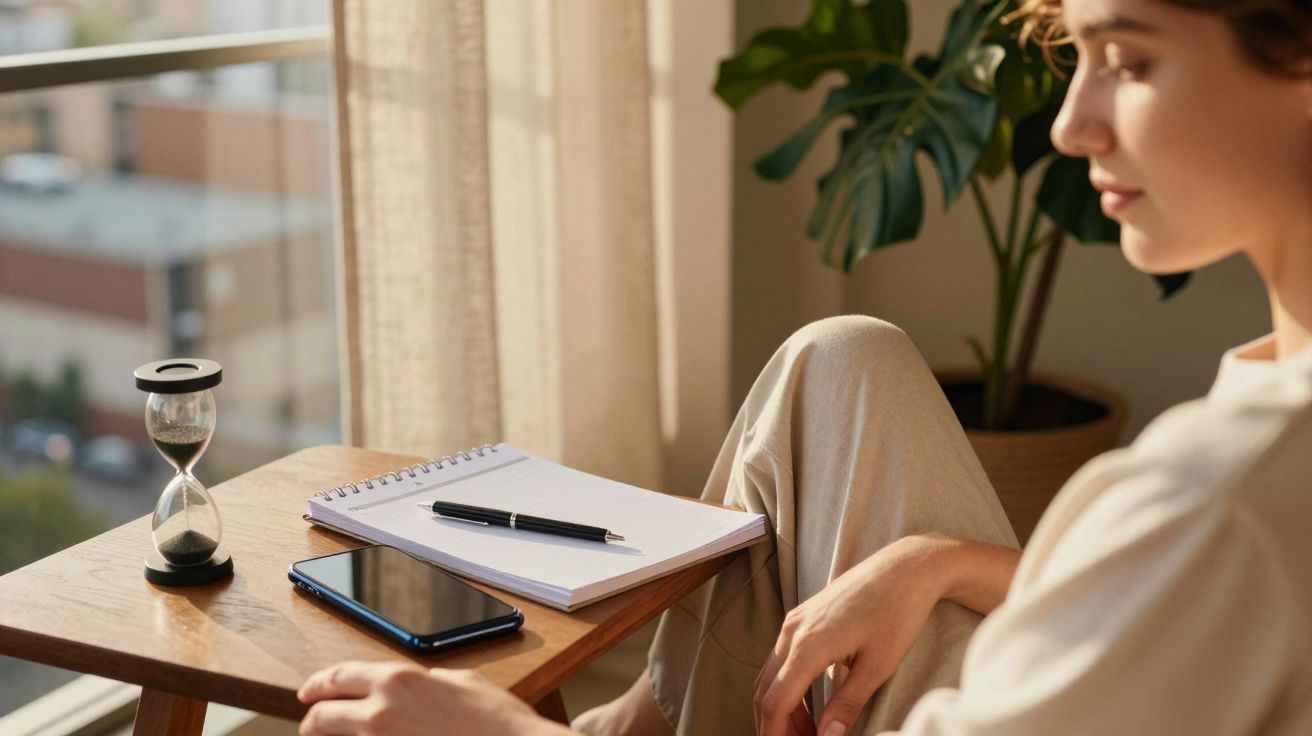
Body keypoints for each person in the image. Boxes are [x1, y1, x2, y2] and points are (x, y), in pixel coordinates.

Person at [296, 0, 1312, 733]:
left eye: (1129, 61)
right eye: (1076, 55)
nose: (1068, 123)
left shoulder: (1227, 491)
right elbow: (1184, 608)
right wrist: (935, 559)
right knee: (844, 357)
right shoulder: (1258, 443)